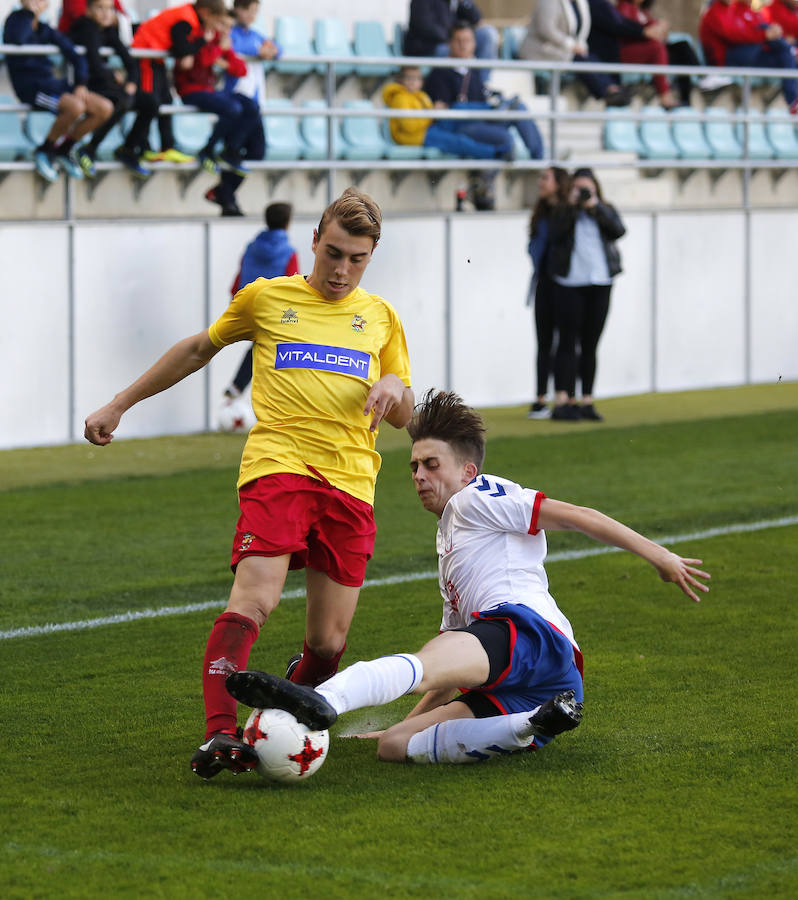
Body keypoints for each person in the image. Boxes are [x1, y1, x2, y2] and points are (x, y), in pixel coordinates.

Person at [83, 188, 414, 780]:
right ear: (313, 240)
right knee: (254, 599)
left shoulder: (382, 319)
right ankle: (220, 734)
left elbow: (402, 410)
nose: (341, 270)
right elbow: (196, 349)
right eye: (333, 252)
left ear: (371, 256)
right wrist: (119, 403)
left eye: (356, 259)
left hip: (352, 485)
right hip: (278, 467)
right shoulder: (266, 298)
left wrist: (396, 392)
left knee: (329, 644)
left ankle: (280, 713)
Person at [225, 388, 710, 767]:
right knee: (394, 747)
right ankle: (532, 727)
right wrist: (408, 723)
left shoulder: (476, 497)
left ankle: (318, 699)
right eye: (413, 465)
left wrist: (659, 556)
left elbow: (578, 515)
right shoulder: (451, 538)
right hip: (535, 692)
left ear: (467, 471)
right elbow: (453, 656)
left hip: (529, 634)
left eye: (431, 465)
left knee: (421, 663)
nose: (418, 475)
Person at [425, 23, 544, 209]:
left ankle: (540, 164)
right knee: (504, 139)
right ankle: (482, 186)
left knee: (518, 108)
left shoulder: (475, 69)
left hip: (482, 118)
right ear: (450, 43)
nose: (463, 45)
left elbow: (482, 100)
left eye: (468, 41)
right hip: (462, 126)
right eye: (458, 41)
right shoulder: (439, 72)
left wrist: (496, 106)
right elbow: (446, 112)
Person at [3, 0, 113, 182]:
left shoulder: (45, 28)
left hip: (51, 83)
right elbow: (19, 39)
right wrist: (30, 13)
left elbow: (74, 54)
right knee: (75, 107)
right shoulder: (15, 21)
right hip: (31, 88)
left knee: (104, 108)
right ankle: (45, 150)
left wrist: (81, 83)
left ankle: (65, 149)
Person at [546, 168, 625, 422]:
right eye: (577, 189)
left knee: (591, 343)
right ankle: (564, 399)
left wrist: (594, 208)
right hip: (570, 282)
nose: (582, 194)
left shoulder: (604, 208)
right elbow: (554, 234)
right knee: (567, 342)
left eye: (586, 189)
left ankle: (586, 399)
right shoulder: (562, 210)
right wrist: (572, 207)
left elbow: (618, 230)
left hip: (600, 282)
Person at [170, 8, 263, 216]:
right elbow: (201, 61)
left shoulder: (221, 42)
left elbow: (241, 69)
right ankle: (209, 149)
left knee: (251, 106)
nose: (226, 31)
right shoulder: (201, 38)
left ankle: (230, 150)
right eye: (223, 25)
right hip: (192, 90)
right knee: (233, 108)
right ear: (213, 21)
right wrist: (218, 52)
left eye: (229, 27)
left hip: (211, 91)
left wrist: (224, 56)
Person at [220, 201, 300, 408]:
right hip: (273, 311)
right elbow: (294, 286)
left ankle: (237, 387)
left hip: (246, 306)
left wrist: (235, 300)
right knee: (283, 348)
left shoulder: (251, 247)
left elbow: (240, 274)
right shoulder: (289, 252)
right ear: (288, 223)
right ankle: (275, 399)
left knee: (262, 346)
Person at [131, 0, 228, 164]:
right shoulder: (186, 19)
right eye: (216, 18)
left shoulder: (190, 17)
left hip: (156, 58)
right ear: (205, 12)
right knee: (150, 103)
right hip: (146, 56)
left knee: (166, 101)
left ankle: (167, 147)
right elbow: (181, 50)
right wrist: (203, 41)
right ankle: (134, 147)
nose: (216, 24)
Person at [69, 0, 159, 177]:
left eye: (109, 9)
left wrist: (131, 81)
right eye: (100, 8)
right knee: (123, 100)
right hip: (90, 86)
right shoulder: (87, 28)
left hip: (108, 84)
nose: (105, 13)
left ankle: (128, 148)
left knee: (150, 103)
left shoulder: (109, 31)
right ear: (88, 11)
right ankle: (90, 148)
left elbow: (129, 61)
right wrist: (114, 77)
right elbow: (94, 64)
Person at [518, 0, 634, 107]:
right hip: (541, 49)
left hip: (564, 49)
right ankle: (609, 91)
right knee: (579, 59)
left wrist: (578, 45)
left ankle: (612, 88)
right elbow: (546, 29)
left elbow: (580, 29)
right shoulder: (550, 2)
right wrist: (570, 45)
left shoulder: (579, 3)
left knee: (590, 57)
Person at [382, 65, 511, 160]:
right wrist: (432, 114)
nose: (412, 82)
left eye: (416, 78)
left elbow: (427, 115)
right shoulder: (400, 98)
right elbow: (409, 126)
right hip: (417, 137)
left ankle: (493, 108)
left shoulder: (420, 95)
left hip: (429, 127)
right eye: (408, 78)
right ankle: (495, 153)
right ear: (400, 80)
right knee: (459, 142)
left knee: (458, 108)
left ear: (421, 82)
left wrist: (438, 110)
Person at [700, 0, 798, 114]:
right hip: (728, 61)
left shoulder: (739, 9)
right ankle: (790, 51)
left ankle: (793, 100)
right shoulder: (716, 11)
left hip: (749, 54)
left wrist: (769, 34)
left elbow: (749, 32)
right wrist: (765, 35)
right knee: (777, 43)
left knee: (784, 54)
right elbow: (735, 35)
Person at [527, 166, 570, 419]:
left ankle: (565, 396)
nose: (540, 182)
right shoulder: (540, 214)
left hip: (565, 283)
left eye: (545, 178)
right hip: (544, 282)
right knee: (544, 342)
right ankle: (541, 397)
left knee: (565, 342)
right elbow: (534, 247)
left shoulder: (567, 213)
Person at [226, 0, 282, 111]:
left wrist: (273, 50)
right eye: (248, 10)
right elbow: (234, 48)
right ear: (237, 9)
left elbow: (278, 47)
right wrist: (258, 51)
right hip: (237, 89)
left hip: (255, 90)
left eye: (255, 11)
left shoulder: (254, 35)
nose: (252, 15)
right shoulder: (230, 32)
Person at [404, 0, 499, 62]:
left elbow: (476, 19)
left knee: (487, 34)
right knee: (454, 49)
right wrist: (453, 40)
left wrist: (464, 1)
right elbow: (423, 25)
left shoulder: (456, 2)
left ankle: (482, 83)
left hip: (453, 40)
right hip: (429, 46)